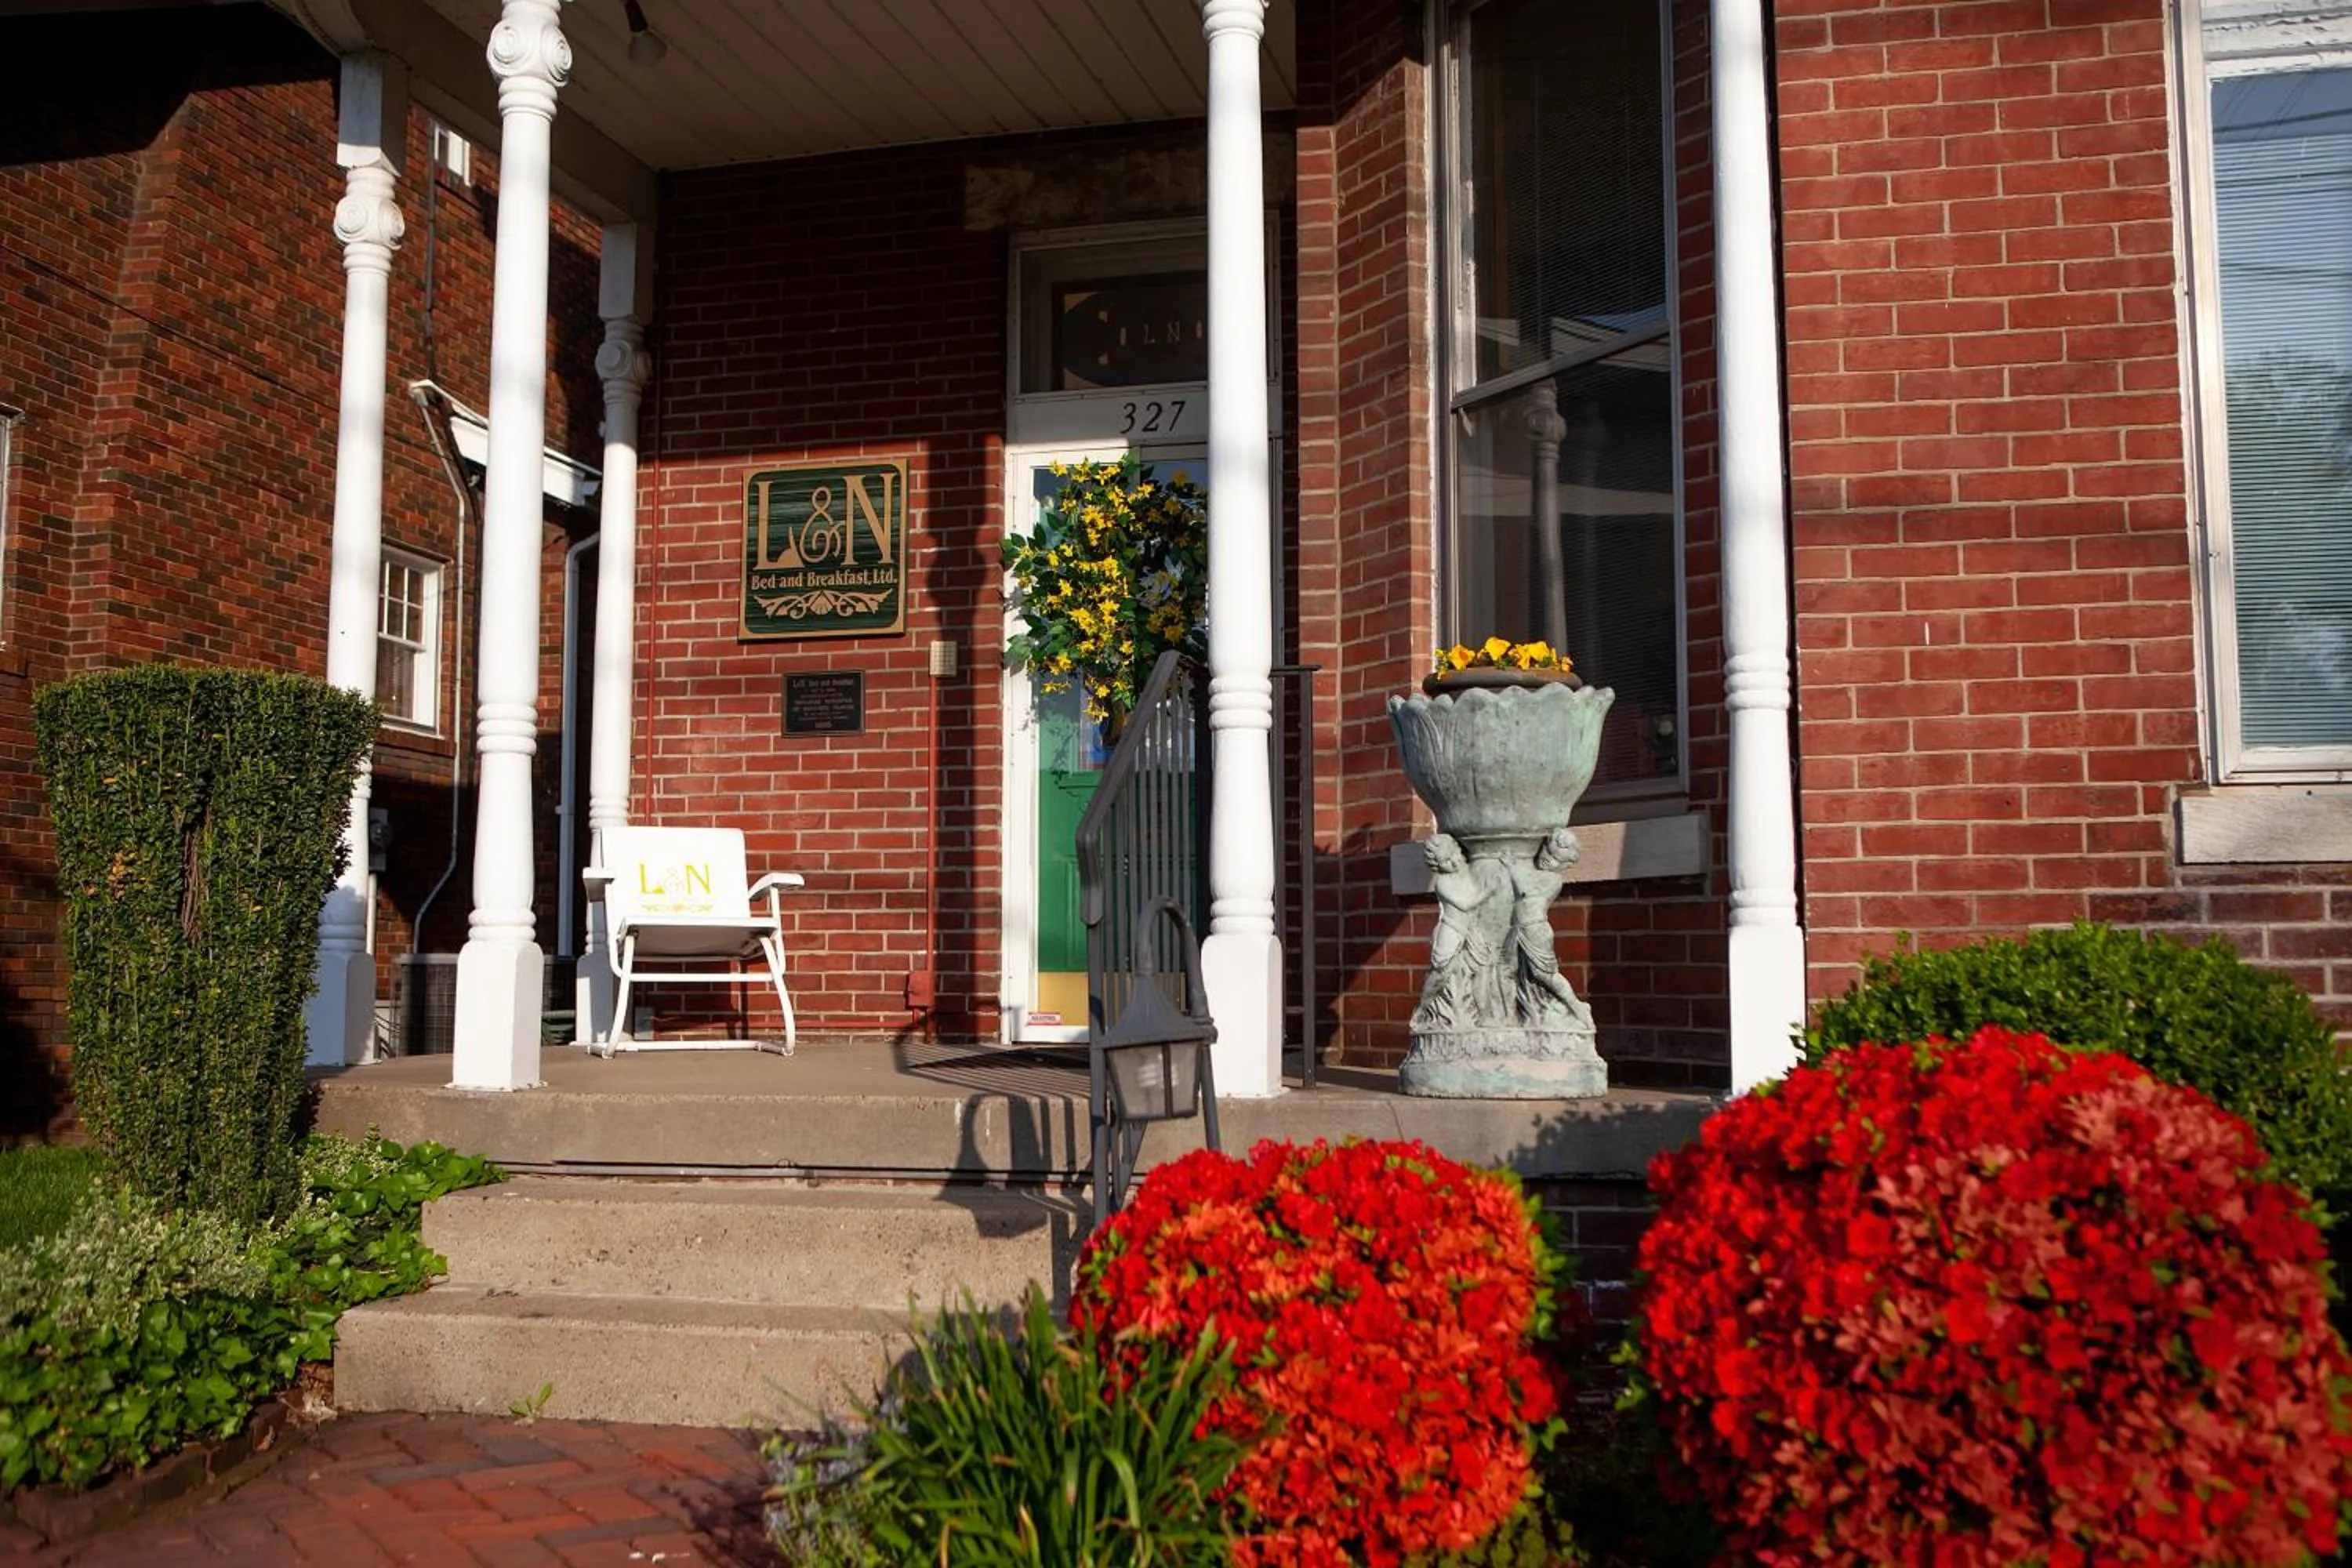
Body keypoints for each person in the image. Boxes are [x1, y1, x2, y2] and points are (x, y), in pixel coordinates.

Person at [1412, 834, 1512, 1030]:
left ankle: (1484, 1017)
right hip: (1452, 930)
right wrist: (1488, 891)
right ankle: (1422, 1010)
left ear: (1457, 851)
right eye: (1445, 863)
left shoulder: (1468, 870)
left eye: (1452, 856)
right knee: (1441, 973)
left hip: (1472, 931)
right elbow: (1466, 904)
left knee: (1482, 971)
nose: (1451, 863)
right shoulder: (1443, 883)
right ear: (1438, 866)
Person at [1511, 826, 1593, 1029]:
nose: (1548, 859)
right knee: (1513, 971)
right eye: (1547, 852)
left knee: (1545, 974)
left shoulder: (1552, 880)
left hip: (1535, 930)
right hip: (1519, 930)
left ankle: (1577, 1006)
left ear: (1564, 866)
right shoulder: (1535, 871)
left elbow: (1523, 887)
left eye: (1555, 859)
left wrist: (1509, 864)